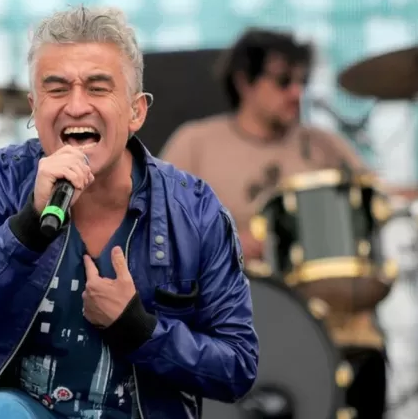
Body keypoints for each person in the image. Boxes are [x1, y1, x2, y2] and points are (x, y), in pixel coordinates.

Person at [0, 5, 258, 419]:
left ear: (136, 111)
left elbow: (237, 367)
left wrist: (139, 329)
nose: (76, 105)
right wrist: (27, 227)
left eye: (98, 88)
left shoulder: (195, 212)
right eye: (57, 89)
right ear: (34, 107)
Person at [160, 28, 387, 418]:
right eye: (283, 81)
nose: (296, 93)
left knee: (366, 349)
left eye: (302, 81)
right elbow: (154, 220)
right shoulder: (196, 142)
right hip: (228, 311)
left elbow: (376, 194)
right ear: (244, 82)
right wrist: (227, 241)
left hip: (323, 313)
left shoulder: (322, 144)